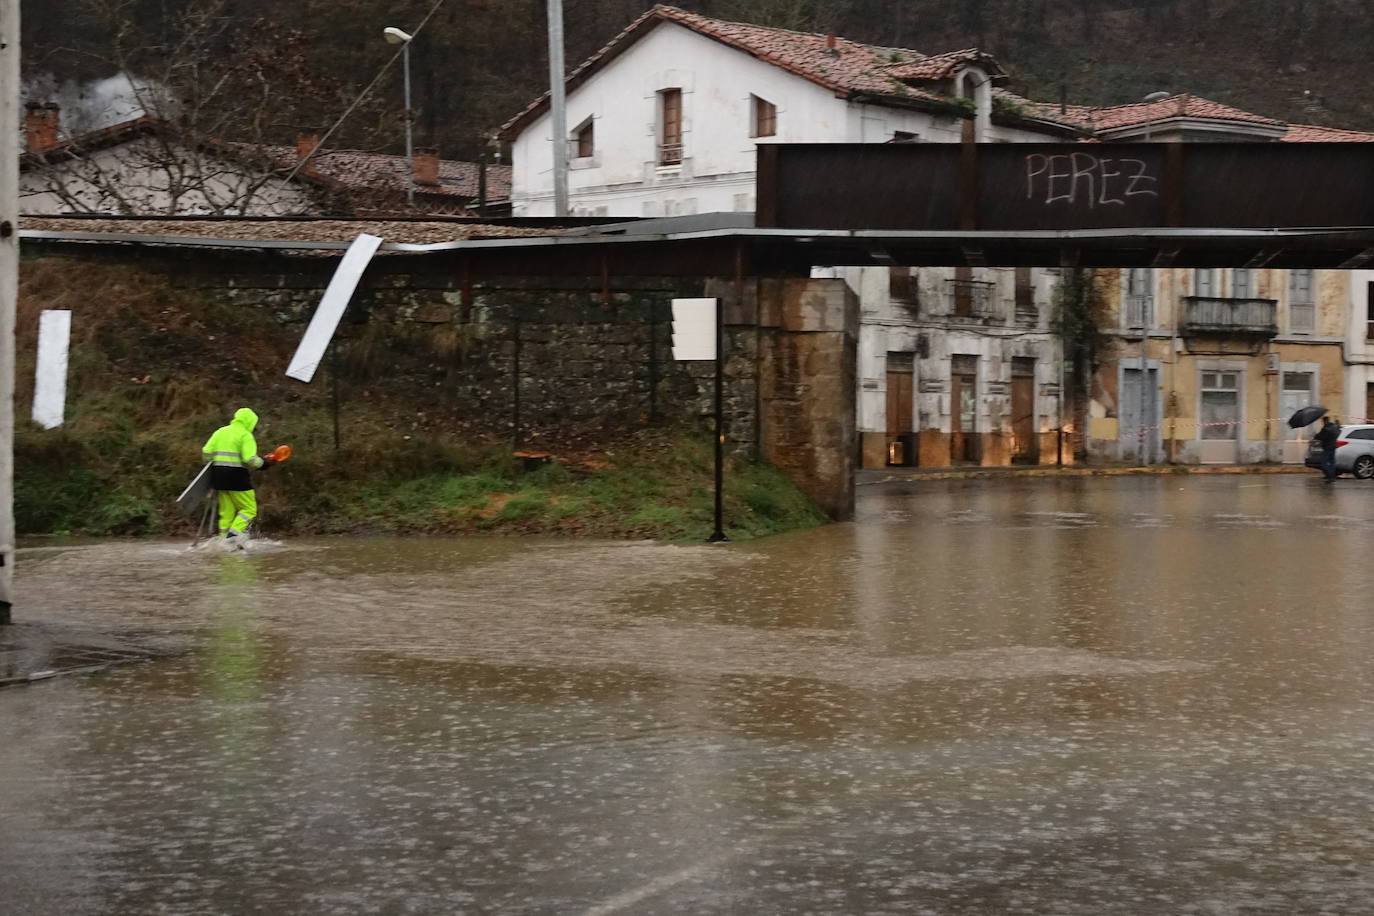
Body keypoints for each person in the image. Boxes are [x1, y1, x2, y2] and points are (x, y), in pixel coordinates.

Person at [201, 408, 277, 545]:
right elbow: (250, 458)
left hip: (218, 477)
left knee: (226, 512)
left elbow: (206, 451)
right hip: (237, 477)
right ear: (250, 422)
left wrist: (209, 464)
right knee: (249, 509)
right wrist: (264, 463)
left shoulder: (220, 432)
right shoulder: (245, 435)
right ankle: (233, 535)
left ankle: (223, 542)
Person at [1314, 415, 1341, 482]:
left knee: (1324, 463)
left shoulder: (1325, 429)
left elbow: (1321, 437)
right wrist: (1337, 422)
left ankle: (1330, 476)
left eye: (1322, 421)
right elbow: (1338, 430)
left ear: (1324, 421)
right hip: (1333, 447)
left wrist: (1315, 435)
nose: (1322, 422)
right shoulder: (1333, 427)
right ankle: (1332, 476)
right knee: (1332, 462)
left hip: (1327, 447)